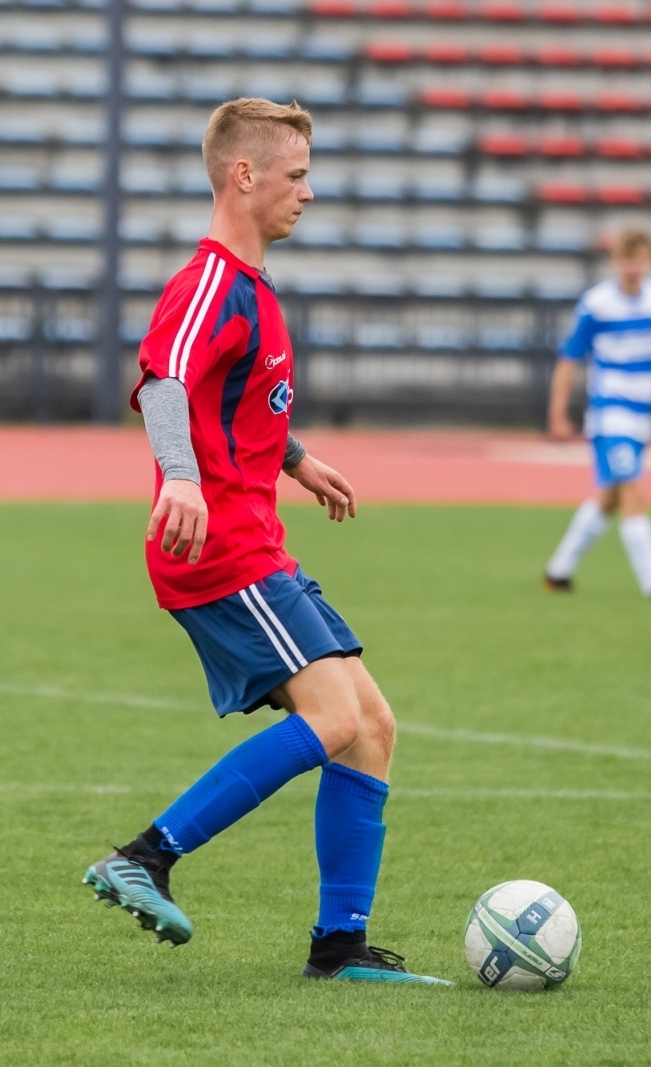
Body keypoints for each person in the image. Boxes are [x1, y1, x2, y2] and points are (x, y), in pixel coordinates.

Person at [82, 98, 447, 985]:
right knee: (334, 718)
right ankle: (148, 854)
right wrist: (177, 476)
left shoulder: (250, 291)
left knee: (372, 727)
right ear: (242, 176)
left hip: (256, 540)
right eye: (295, 176)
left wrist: (295, 457)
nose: (307, 194)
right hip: (218, 548)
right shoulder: (209, 280)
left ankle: (340, 949)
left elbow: (226, 399)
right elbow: (166, 385)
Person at [542, 229, 651, 597]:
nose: (633, 268)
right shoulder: (597, 304)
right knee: (634, 492)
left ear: (649, 260)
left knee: (608, 498)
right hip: (610, 414)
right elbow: (569, 359)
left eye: (639, 260)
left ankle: (557, 572)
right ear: (614, 262)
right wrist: (558, 412)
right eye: (626, 260)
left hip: (642, 415)